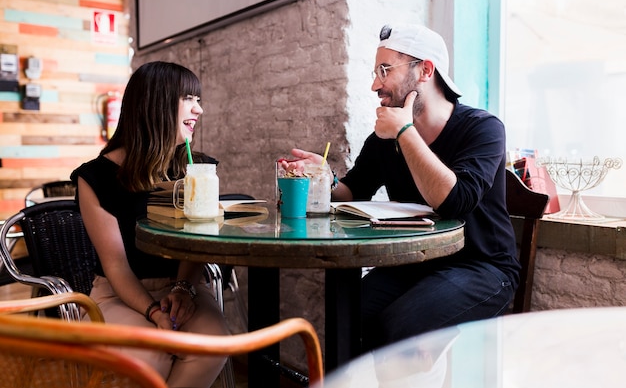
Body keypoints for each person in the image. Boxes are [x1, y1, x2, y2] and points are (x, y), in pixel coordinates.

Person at [283, 23, 520, 351]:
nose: (374, 85)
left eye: (385, 70)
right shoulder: (384, 139)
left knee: (399, 328)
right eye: (375, 71)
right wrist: (324, 177)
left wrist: (404, 130)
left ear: (425, 70)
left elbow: (454, 201)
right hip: (418, 261)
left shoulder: (483, 129)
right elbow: (353, 191)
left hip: (483, 268)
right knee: (349, 310)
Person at [71, 61, 229, 387]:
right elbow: (115, 265)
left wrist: (183, 289)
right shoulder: (94, 177)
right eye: (189, 98)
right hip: (119, 294)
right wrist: (154, 312)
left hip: (183, 286)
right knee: (149, 355)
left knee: (212, 345)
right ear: (156, 104)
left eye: (198, 99)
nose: (199, 109)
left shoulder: (197, 168)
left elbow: (198, 242)